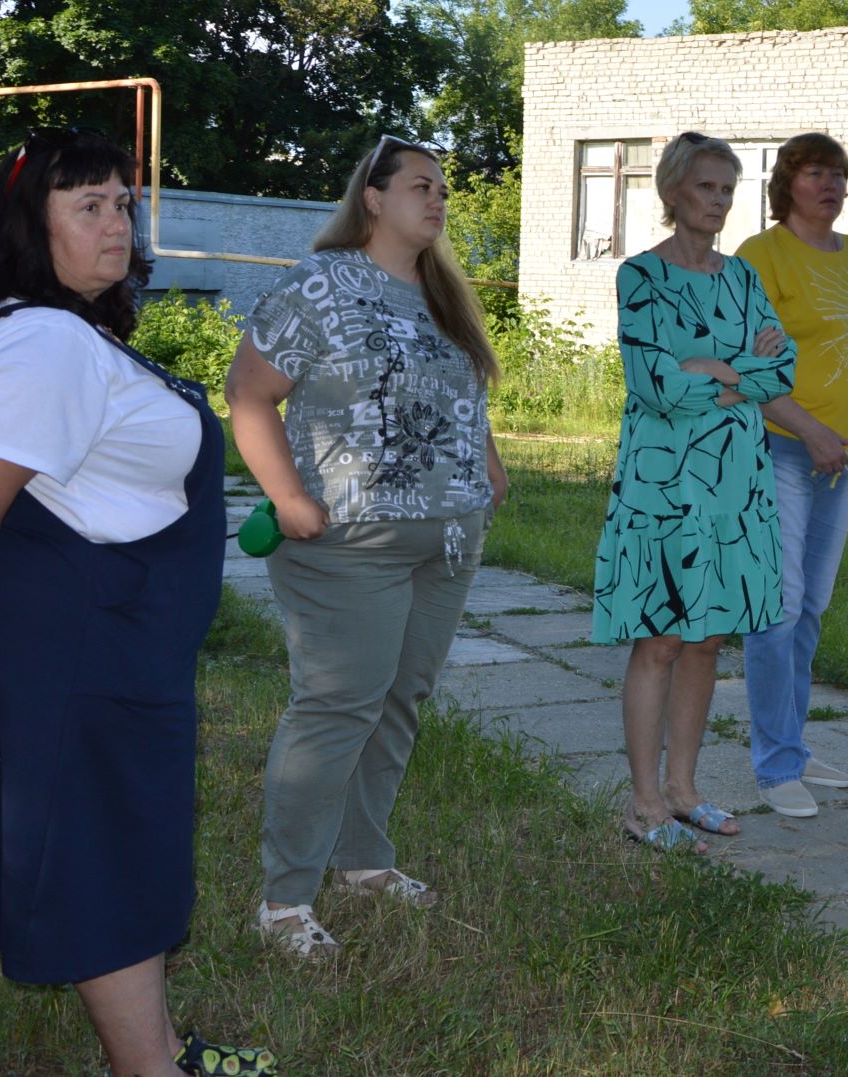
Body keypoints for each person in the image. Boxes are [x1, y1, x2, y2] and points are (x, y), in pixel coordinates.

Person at [0, 129, 272, 1075]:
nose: (118, 221)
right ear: (30, 230)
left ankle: (164, 1051)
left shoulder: (56, 333)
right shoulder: (39, 340)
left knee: (121, 851)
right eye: (89, 205)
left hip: (104, 649)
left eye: (124, 201)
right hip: (77, 654)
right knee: (102, 865)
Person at [227, 135, 507, 955]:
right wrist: (287, 498)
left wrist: (486, 465)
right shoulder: (322, 283)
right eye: (422, 185)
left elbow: (459, 392)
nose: (439, 199)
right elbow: (248, 393)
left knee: (397, 701)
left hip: (446, 539)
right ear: (373, 199)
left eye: (445, 189)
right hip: (347, 539)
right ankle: (283, 900)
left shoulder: (441, 292)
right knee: (336, 705)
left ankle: (363, 862)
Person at [593, 132, 797, 850]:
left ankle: (683, 788)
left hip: (735, 483)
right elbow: (655, 387)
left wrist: (712, 365)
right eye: (706, 187)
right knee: (659, 637)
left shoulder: (742, 277)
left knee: (707, 638)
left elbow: (784, 371)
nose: (718, 201)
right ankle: (643, 800)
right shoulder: (639, 276)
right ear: (674, 191)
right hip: (664, 480)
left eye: (727, 189)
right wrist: (738, 370)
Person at [735, 132, 848, 817]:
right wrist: (810, 430)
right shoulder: (761, 256)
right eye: (814, 173)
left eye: (837, 173)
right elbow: (744, 366)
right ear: (786, 182)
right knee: (776, 609)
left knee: (808, 609)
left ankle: (793, 747)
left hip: (840, 458)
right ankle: (775, 767)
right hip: (777, 446)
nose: (829, 184)